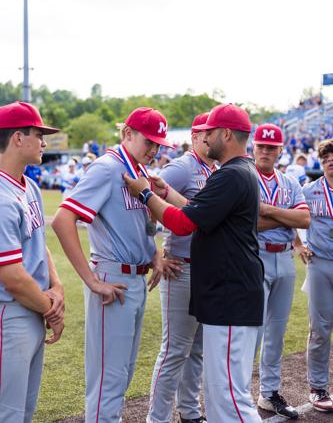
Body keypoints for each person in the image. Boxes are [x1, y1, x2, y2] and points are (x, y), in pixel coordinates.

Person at [124, 103, 264, 423]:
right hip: (224, 289)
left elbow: (186, 222)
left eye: (211, 132)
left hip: (230, 293)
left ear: (225, 134)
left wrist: (147, 195)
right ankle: (177, 414)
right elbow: (196, 209)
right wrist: (166, 194)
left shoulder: (230, 173)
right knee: (218, 393)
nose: (205, 138)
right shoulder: (238, 170)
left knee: (228, 395)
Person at [52, 107, 173, 423]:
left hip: (135, 279)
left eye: (158, 144)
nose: (155, 149)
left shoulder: (138, 172)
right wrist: (92, 280)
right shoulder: (107, 168)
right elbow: (64, 220)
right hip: (112, 277)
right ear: (128, 134)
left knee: (123, 372)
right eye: (149, 141)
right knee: (109, 378)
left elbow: (144, 222)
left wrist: (155, 252)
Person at [147, 112, 216, 423]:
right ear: (194, 135)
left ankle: (189, 413)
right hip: (182, 268)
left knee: (197, 349)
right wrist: (156, 252)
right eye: (205, 132)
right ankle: (157, 418)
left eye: (214, 132)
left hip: (206, 269)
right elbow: (145, 202)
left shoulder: (213, 168)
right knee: (175, 350)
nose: (209, 137)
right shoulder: (182, 167)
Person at [0, 101, 64, 423]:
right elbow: (11, 277)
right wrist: (50, 308)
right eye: (38, 134)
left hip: (32, 308)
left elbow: (40, 245)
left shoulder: (31, 187)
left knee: (23, 411)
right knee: (7, 412)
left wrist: (57, 286)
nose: (43, 142)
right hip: (9, 314)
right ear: (17, 139)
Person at [253, 123, 310, 419]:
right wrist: (285, 217)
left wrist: (269, 211)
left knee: (277, 329)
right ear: (253, 146)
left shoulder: (289, 182)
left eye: (271, 147)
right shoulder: (245, 178)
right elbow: (247, 223)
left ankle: (268, 392)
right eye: (261, 145)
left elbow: (304, 219)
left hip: (284, 259)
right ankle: (237, 394)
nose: (265, 151)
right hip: (254, 257)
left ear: (279, 150)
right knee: (252, 331)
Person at [294, 138, 333, 412]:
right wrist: (299, 243)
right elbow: (292, 217)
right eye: (326, 158)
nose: (331, 161)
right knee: (320, 328)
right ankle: (318, 388)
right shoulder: (308, 191)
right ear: (321, 162)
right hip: (320, 263)